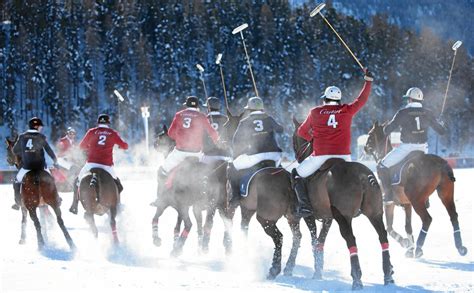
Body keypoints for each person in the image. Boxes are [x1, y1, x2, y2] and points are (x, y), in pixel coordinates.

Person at [293, 69, 374, 217]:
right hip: (344, 157)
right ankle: (361, 204)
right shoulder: (347, 110)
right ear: (338, 100)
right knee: (357, 176)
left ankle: (305, 206)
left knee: (296, 174)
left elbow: (301, 132)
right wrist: (368, 82)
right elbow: (361, 100)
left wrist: (313, 138)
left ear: (325, 99)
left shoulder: (315, 112)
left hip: (320, 156)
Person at [377, 87, 447, 203]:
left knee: (382, 166)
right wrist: (441, 124)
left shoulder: (402, 112)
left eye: (407, 99)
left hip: (407, 148)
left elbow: (387, 130)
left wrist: (386, 127)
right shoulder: (428, 113)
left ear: (409, 99)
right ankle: (426, 197)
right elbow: (441, 131)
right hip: (422, 148)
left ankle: (388, 195)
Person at [150, 96, 220, 206]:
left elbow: (171, 134)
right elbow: (212, 133)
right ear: (197, 106)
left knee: (162, 171)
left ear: (186, 105)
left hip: (180, 153)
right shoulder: (202, 116)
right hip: (197, 154)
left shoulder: (179, 115)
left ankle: (160, 199)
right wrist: (217, 141)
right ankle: (208, 197)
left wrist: (180, 136)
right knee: (207, 173)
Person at [228, 96, 284, 206]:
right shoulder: (268, 118)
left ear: (249, 109)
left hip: (256, 156)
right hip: (274, 155)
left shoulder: (245, 121)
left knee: (232, 167)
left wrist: (239, 151)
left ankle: (235, 196)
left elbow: (236, 140)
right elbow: (280, 130)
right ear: (262, 108)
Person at [69, 114, 128, 214]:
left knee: (77, 181)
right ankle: (117, 205)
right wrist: (120, 147)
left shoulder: (92, 131)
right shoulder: (112, 133)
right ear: (108, 123)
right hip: (106, 165)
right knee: (118, 184)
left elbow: (81, 146)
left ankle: (75, 205)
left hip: (91, 164)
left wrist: (90, 147)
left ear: (98, 122)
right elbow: (125, 146)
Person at [12, 117, 59, 209]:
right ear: (37, 127)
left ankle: (18, 202)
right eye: (40, 126)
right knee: (51, 180)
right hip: (41, 167)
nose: (41, 128)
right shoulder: (41, 137)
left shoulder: (22, 136)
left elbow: (15, 150)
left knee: (16, 181)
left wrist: (26, 152)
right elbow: (49, 150)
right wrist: (55, 160)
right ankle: (56, 198)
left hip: (27, 167)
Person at [201, 97, 231, 164]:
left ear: (208, 108)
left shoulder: (203, 120)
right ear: (219, 107)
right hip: (225, 156)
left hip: (208, 156)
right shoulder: (227, 119)